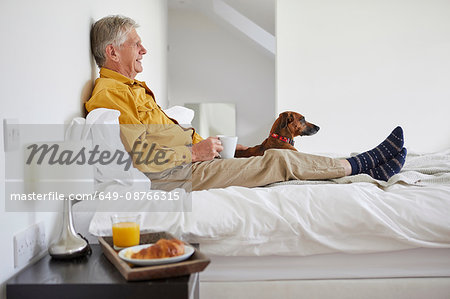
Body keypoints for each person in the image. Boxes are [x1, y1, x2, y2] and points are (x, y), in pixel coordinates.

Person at [86, 15, 407, 191]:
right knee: (277, 160)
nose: (144, 51)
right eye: (136, 45)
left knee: (264, 153)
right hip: (174, 175)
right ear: (113, 52)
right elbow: (140, 155)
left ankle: (369, 170)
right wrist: (193, 152)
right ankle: (360, 164)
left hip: (192, 163)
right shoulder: (110, 95)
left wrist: (211, 148)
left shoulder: (133, 89)